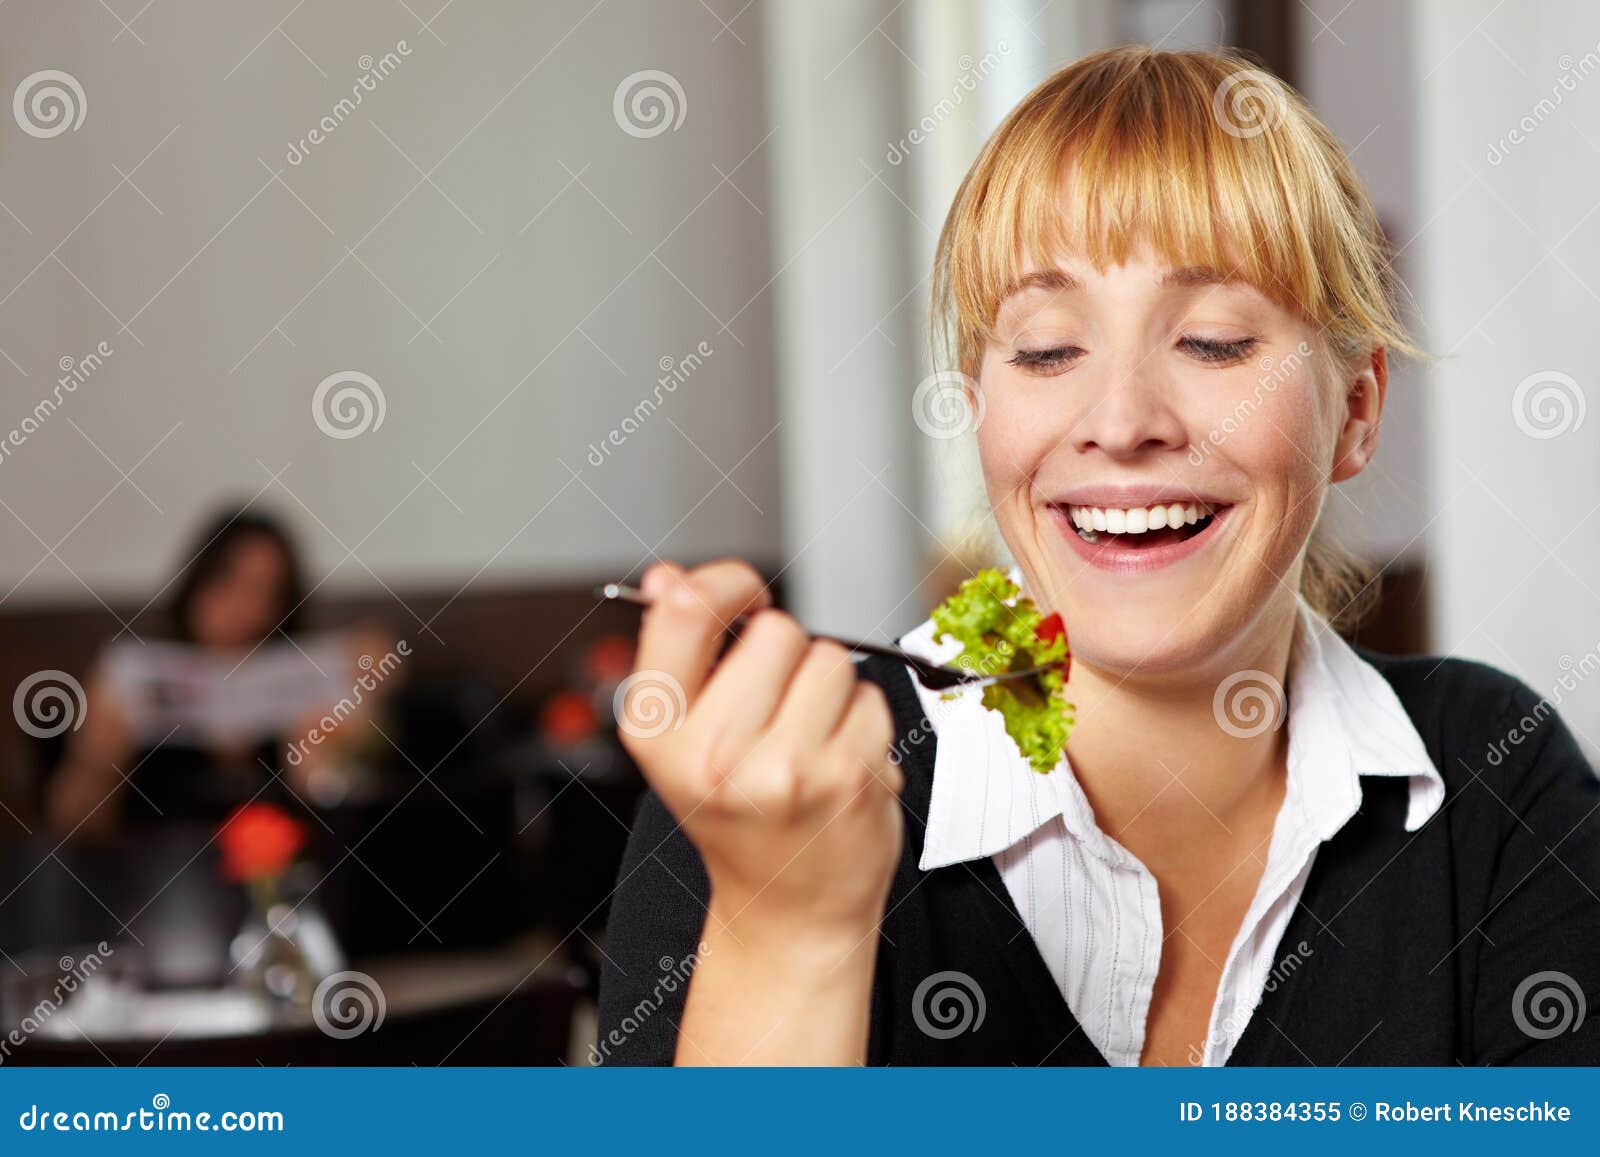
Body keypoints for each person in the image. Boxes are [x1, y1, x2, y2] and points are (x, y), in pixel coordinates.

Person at [595, 46, 1600, 1066]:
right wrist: (791, 932)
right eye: (1045, 350)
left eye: (1212, 342)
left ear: (1353, 409)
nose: (1120, 423)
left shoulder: (1495, 778)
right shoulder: (761, 799)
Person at [47, 507, 394, 837]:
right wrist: (95, 765)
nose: (246, 606)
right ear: (198, 581)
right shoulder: (130, 681)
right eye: (229, 581)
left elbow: (341, 832)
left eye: (266, 592)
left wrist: (328, 756)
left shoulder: (307, 686)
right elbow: (72, 830)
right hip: (154, 887)